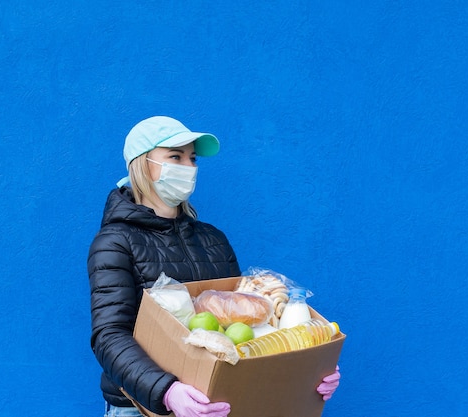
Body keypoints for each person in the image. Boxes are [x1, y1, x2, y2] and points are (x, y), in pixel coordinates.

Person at [88, 116, 340, 417]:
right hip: (140, 408)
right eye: (175, 156)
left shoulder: (213, 239)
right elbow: (109, 335)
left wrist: (308, 365)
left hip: (214, 403)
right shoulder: (115, 242)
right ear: (143, 164)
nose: (188, 167)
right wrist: (167, 391)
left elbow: (248, 325)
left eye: (192, 158)